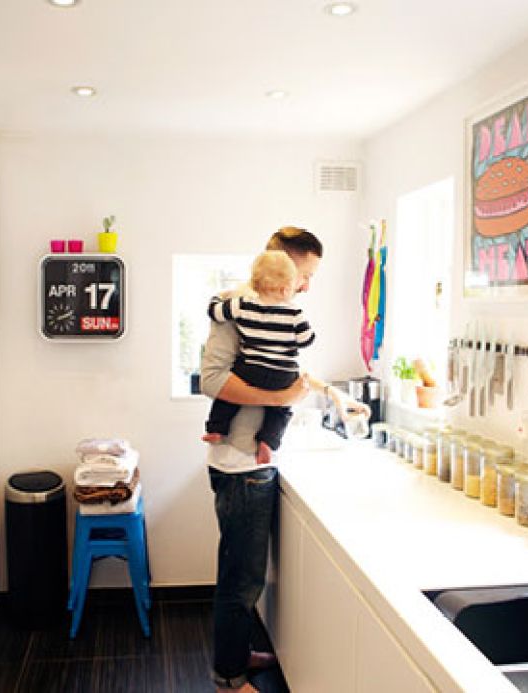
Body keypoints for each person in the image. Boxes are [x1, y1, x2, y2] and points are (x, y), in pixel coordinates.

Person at [201, 227, 365, 693]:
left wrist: (330, 393)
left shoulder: (277, 307)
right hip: (241, 467)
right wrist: (281, 396)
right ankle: (230, 679)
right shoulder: (234, 305)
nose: (308, 286)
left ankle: (236, 654)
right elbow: (212, 380)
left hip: (252, 463)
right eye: (306, 275)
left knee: (239, 571)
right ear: (283, 264)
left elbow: (289, 367)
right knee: (242, 579)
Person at [203, 250, 315, 465]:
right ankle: (268, 442)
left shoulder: (242, 304)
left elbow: (215, 312)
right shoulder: (294, 313)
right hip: (283, 374)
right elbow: (307, 340)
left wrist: (218, 298)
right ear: (285, 288)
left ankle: (217, 428)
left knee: (226, 402)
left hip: (251, 369)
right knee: (281, 411)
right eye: (304, 277)